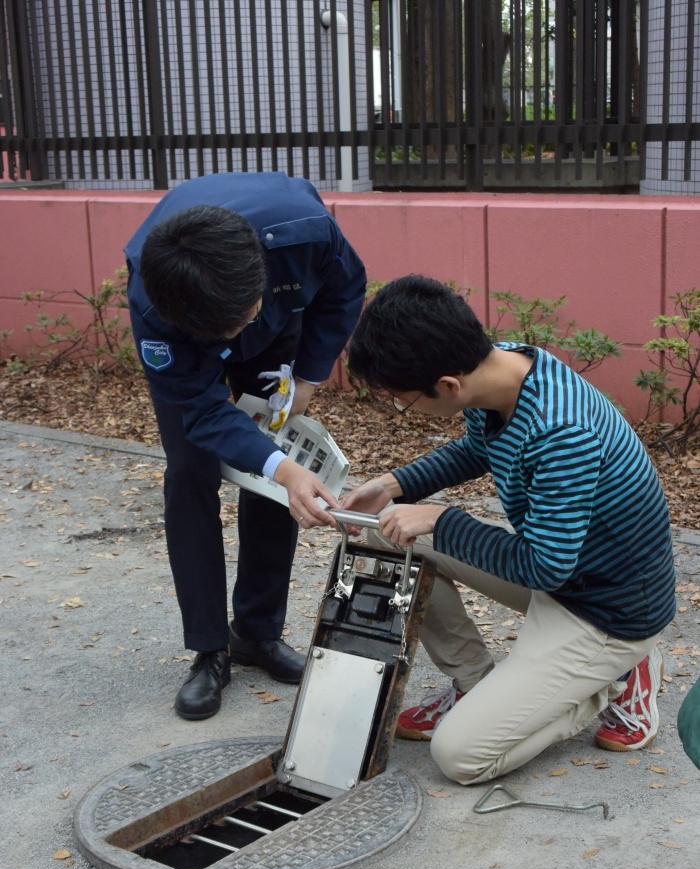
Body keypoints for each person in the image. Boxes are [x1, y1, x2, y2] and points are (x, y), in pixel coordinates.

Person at [341, 275, 676, 785]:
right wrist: (394, 485)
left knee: (460, 756)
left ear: (449, 386)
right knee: (389, 532)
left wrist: (442, 520)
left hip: (606, 607)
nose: (402, 410)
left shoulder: (563, 432)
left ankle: (615, 677)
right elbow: (478, 449)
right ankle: (476, 684)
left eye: (405, 401)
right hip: (566, 568)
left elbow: (546, 565)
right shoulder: (503, 368)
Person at [125, 172, 366, 720]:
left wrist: (309, 375)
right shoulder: (154, 303)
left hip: (278, 327)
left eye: (240, 321)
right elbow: (202, 408)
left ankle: (256, 633)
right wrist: (283, 469)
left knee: (273, 459)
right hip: (200, 329)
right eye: (224, 333)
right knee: (190, 470)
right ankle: (209, 650)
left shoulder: (307, 236)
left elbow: (346, 289)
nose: (232, 343)